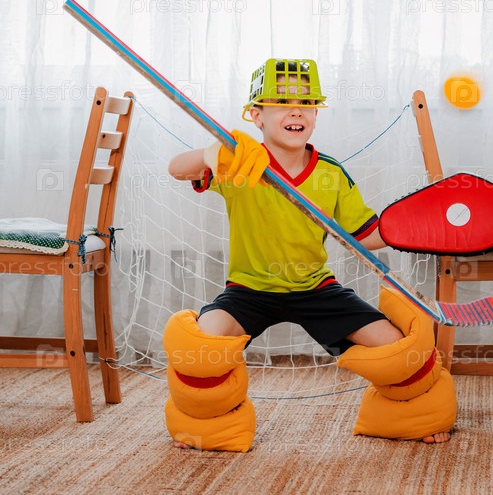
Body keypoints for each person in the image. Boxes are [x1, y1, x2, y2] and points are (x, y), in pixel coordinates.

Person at [164, 59, 453, 451]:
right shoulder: (237, 165)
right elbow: (177, 169)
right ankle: (204, 424)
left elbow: (364, 236)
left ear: (316, 115)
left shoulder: (331, 173)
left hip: (316, 289)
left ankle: (416, 417)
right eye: (282, 103)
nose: (296, 111)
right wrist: (214, 152)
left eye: (306, 104)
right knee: (200, 346)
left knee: (398, 349)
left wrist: (416, 228)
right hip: (248, 290)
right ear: (256, 116)